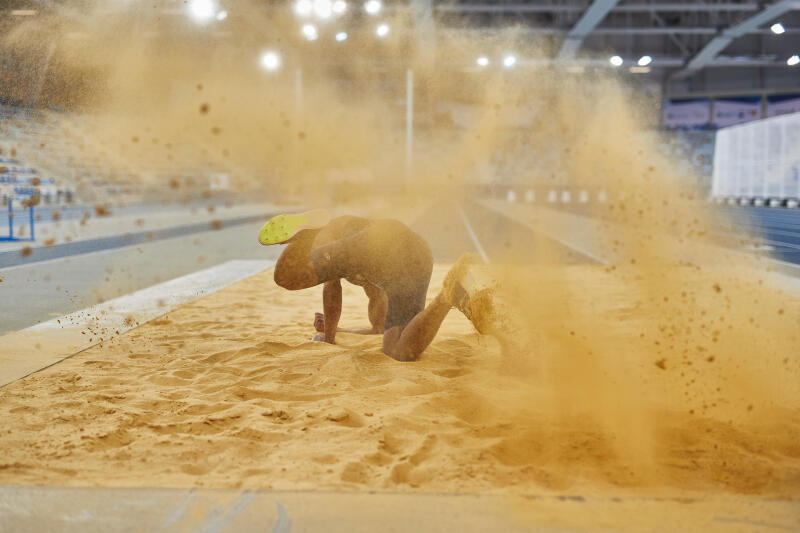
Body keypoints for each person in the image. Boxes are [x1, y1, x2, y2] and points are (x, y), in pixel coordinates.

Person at [258, 210, 492, 362]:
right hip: (416, 253)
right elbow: (379, 326)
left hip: (376, 240)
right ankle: (452, 293)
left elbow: (332, 288)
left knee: (288, 277)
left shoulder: (345, 246)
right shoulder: (373, 277)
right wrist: (341, 330)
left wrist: (329, 338)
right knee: (398, 350)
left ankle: (306, 235)